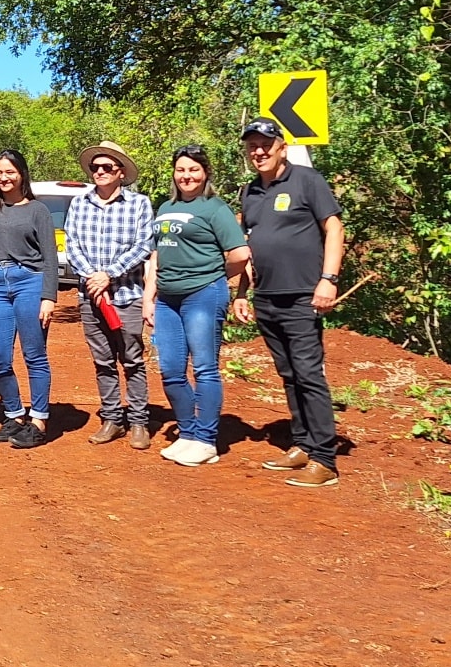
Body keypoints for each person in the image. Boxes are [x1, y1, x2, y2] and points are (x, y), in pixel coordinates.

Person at [233, 118, 346, 488]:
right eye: (252, 146)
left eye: (265, 144)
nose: (259, 152)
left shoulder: (307, 180)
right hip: (266, 296)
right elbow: (249, 247)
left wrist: (329, 279)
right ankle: (302, 444)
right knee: (289, 374)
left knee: (309, 373)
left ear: (281, 147)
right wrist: (242, 293)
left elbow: (334, 228)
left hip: (303, 294)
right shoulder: (250, 191)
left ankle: (324, 459)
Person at [146, 145, 250, 468]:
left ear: (205, 173)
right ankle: (188, 433)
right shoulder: (165, 207)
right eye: (181, 169)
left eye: (193, 169)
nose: (186, 176)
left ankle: (205, 440)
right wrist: (149, 296)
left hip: (203, 296)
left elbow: (240, 254)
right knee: (171, 371)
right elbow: (156, 255)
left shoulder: (215, 209)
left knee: (204, 368)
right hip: (167, 299)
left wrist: (214, 276)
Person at [65, 141, 156, 450]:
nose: (100, 171)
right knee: (103, 361)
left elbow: (144, 245)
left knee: (132, 360)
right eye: (95, 167)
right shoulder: (79, 203)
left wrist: (109, 274)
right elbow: (72, 245)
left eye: (107, 167)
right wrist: (92, 277)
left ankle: (139, 422)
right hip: (91, 297)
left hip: (127, 295)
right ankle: (112, 419)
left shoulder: (139, 204)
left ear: (121, 172)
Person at [0, 149, 60, 450]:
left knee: (34, 355)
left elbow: (50, 257)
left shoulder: (38, 210)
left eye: (10, 172)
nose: (4, 177)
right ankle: (13, 414)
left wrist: (48, 297)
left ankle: (38, 420)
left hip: (29, 282)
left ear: (22, 174)